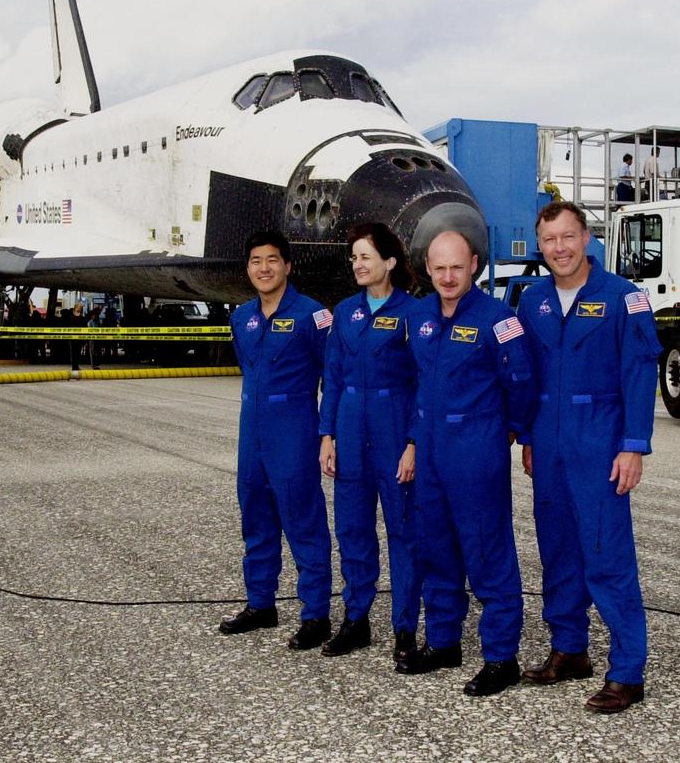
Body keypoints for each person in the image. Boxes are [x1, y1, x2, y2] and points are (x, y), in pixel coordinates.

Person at [516, 201, 663, 714]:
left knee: (606, 555)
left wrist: (633, 445)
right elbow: (525, 375)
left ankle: (627, 671)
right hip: (548, 443)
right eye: (550, 239)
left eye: (568, 237)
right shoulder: (530, 302)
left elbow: (640, 374)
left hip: (600, 442)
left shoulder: (626, 298)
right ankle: (569, 649)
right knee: (558, 551)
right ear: (540, 245)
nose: (559, 248)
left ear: (587, 238)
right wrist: (526, 436)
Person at [396, 230, 536, 697]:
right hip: (432, 449)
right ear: (428, 269)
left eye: (457, 267)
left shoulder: (500, 319)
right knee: (435, 548)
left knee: (486, 551)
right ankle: (443, 642)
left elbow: (520, 381)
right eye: (439, 268)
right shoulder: (419, 318)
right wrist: (415, 440)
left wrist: (510, 429)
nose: (448, 277)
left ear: (473, 264)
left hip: (476, 449)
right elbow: (419, 382)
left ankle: (501, 657)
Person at [219, 230, 334, 651]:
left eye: (272, 260)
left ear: (288, 265)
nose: (263, 268)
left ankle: (316, 613)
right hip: (252, 431)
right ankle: (260, 603)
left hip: (294, 431)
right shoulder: (241, 316)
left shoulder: (313, 316)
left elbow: (333, 377)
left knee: (303, 521)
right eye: (255, 261)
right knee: (255, 518)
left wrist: (328, 432)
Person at [317, 223, 420, 662]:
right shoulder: (344, 313)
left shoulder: (415, 313)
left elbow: (423, 383)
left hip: (394, 428)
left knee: (403, 530)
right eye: (354, 257)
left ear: (390, 262)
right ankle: (355, 619)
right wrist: (327, 436)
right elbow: (333, 379)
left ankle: (405, 627)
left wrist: (414, 442)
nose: (358, 264)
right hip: (351, 429)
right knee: (353, 529)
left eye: (366, 257)